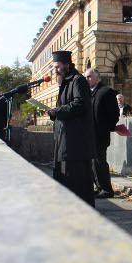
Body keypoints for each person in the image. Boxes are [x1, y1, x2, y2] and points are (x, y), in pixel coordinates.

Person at [47, 51, 95, 207]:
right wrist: (54, 114)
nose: (55, 70)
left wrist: (58, 111)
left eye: (58, 67)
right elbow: (65, 108)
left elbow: (80, 105)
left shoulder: (78, 80)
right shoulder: (65, 82)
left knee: (77, 181)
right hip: (64, 139)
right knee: (64, 178)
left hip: (75, 142)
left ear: (67, 65)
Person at [85, 68, 120, 199]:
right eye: (86, 77)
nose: (87, 79)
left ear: (97, 77)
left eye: (89, 77)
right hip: (89, 134)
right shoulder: (89, 93)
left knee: (100, 162)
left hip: (100, 134)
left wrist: (107, 128)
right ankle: (99, 187)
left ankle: (106, 189)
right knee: (93, 163)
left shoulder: (106, 92)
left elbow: (114, 115)